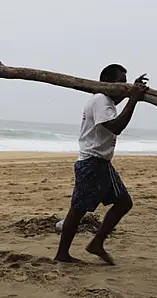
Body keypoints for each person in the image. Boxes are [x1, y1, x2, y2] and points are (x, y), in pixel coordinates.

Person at [54, 64, 148, 265]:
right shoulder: (100, 100)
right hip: (92, 163)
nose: (123, 86)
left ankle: (96, 244)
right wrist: (133, 99)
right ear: (107, 83)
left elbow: (117, 108)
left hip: (101, 163)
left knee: (124, 203)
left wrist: (134, 93)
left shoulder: (105, 101)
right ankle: (62, 254)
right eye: (120, 82)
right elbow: (116, 127)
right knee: (77, 210)